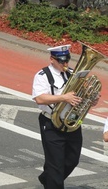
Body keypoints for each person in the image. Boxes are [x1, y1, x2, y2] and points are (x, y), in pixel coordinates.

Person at [32, 45, 91, 188]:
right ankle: (53, 181)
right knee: (56, 164)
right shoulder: (43, 75)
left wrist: (90, 98)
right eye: (61, 61)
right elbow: (39, 98)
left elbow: (81, 97)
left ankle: (48, 178)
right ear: (52, 59)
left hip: (71, 121)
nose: (65, 64)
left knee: (72, 159)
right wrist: (64, 98)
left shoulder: (73, 73)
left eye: (67, 61)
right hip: (51, 122)